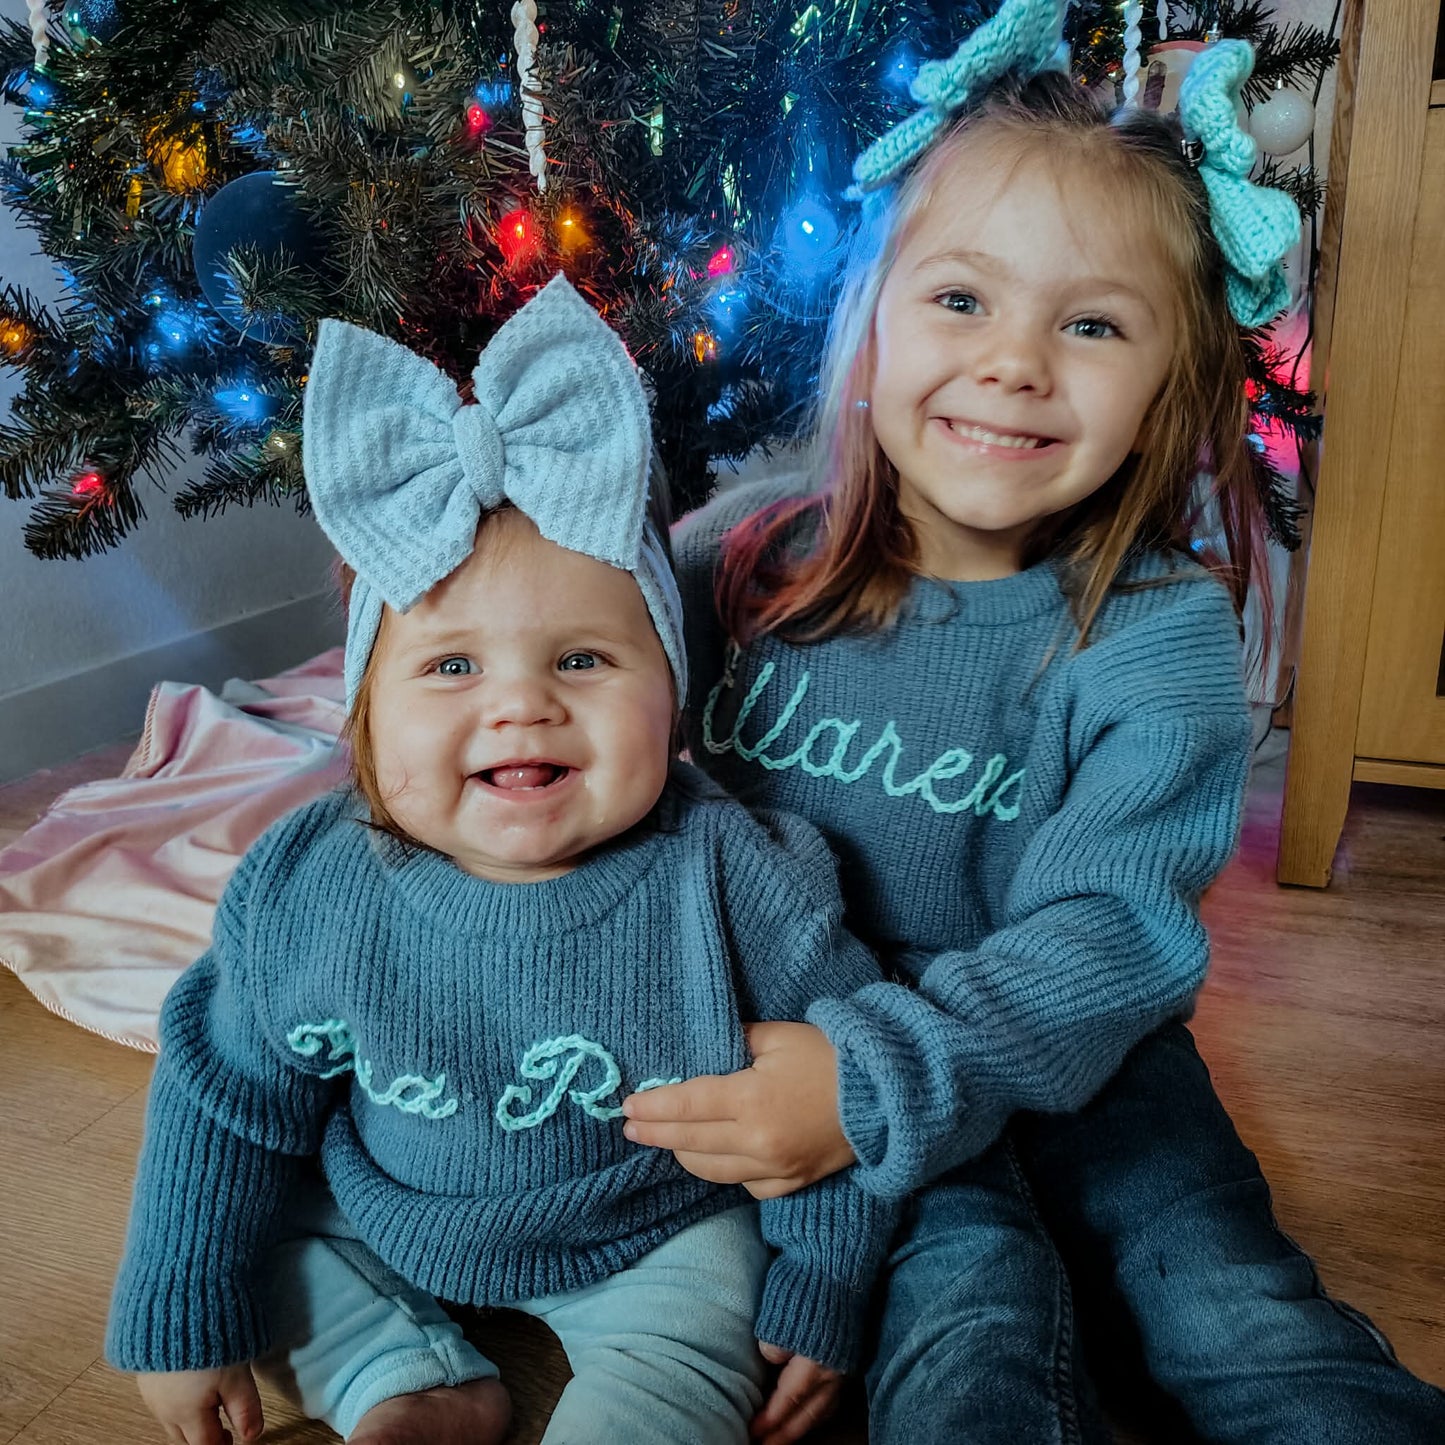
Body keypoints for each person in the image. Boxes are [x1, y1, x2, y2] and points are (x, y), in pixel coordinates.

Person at [621, 5, 1445, 1441]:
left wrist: (872, 1080)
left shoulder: (1155, 637)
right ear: (870, 315)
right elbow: (567, 678)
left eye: (1090, 323)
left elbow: (1115, 937)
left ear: (1169, 387)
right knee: (970, 1336)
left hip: (1087, 1055)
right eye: (960, 299)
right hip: (822, 1047)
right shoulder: (742, 562)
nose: (1013, 362)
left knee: (1233, 1313)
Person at [105, 276, 897, 1445]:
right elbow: (224, 1100)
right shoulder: (308, 886)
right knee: (254, 1239)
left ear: (671, 696)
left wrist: (825, 1282)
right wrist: (174, 1305)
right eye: (450, 669)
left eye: (581, 659)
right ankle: (406, 1376)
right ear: (362, 715)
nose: (520, 706)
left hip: (651, 1231)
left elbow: (840, 1082)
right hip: (388, 1203)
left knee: (710, 1322)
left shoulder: (733, 872)